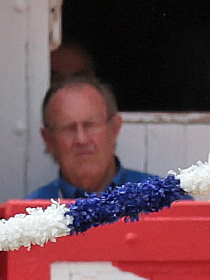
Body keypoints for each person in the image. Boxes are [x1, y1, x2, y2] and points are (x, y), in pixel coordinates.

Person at [31, 76, 163, 201]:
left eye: (90, 125)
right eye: (68, 128)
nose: (81, 140)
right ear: (48, 139)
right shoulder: (29, 216)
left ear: (114, 128)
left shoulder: (160, 199)